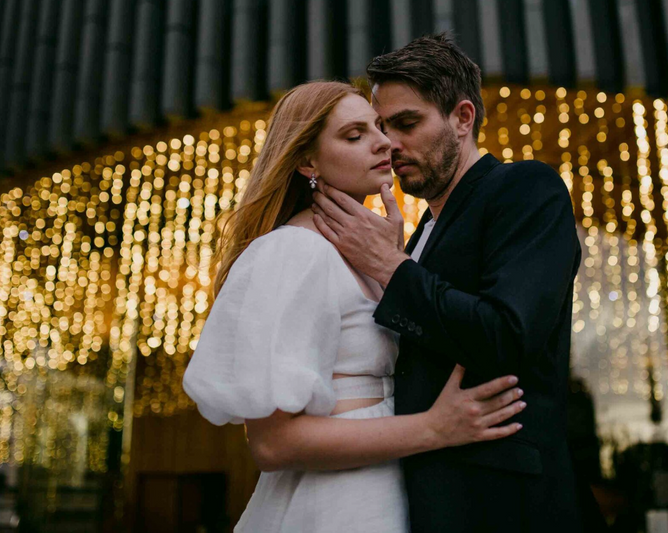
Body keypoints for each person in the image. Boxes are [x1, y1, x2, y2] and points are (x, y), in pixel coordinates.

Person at [183, 79, 528, 532]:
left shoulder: (372, 258)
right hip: (332, 503)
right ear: (307, 160)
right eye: (354, 135)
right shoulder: (293, 251)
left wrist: (393, 261)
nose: (383, 142)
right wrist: (435, 428)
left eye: (379, 127)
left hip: (393, 489)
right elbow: (272, 443)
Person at [312, 33, 586, 532]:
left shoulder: (526, 188)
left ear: (463, 118)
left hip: (503, 505)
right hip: (419, 498)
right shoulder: (418, 233)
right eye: (379, 128)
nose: (389, 144)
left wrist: (390, 268)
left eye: (407, 123)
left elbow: (508, 334)